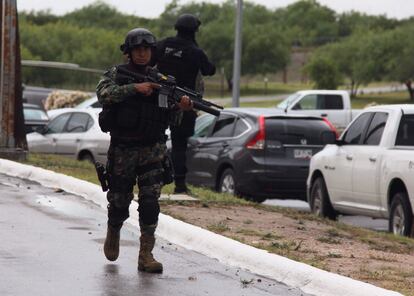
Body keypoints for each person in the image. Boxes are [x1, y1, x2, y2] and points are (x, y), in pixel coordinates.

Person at [96, 28, 192, 273]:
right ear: (129, 52)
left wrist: (180, 107)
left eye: (146, 49)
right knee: (119, 201)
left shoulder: (161, 80)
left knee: (150, 202)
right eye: (137, 49)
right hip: (123, 150)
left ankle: (146, 254)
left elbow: (174, 122)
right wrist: (134, 89)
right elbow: (104, 95)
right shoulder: (116, 74)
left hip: (153, 150)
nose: (142, 54)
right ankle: (114, 228)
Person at [156, 13, 216, 194]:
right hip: (184, 102)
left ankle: (155, 179)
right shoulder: (194, 51)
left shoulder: (163, 44)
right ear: (195, 31)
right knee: (179, 144)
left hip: (159, 99)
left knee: (153, 139)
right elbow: (209, 70)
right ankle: (179, 185)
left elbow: (149, 62)